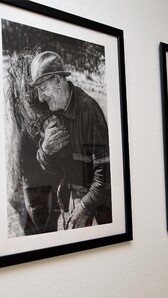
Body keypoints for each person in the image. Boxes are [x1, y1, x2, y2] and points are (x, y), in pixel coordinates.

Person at [29, 51, 112, 229]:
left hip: (97, 210)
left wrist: (84, 208)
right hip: (72, 204)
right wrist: (46, 151)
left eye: (43, 88)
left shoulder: (88, 110)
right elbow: (54, 171)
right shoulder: (52, 111)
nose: (41, 97)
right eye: (38, 90)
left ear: (58, 81)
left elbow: (105, 175)